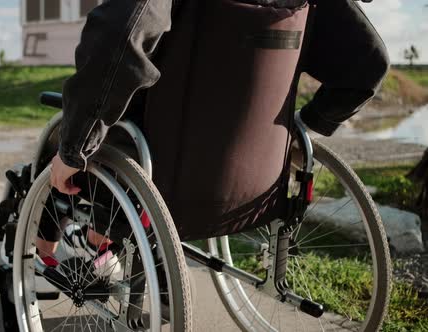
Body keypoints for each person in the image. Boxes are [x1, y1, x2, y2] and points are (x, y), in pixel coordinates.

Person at [42, 0, 388, 265]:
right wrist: (306, 127)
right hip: (256, 189)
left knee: (62, 139)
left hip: (158, 177)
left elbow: (119, 38)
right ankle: (99, 241)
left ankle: (43, 254)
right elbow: (368, 63)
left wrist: (74, 148)